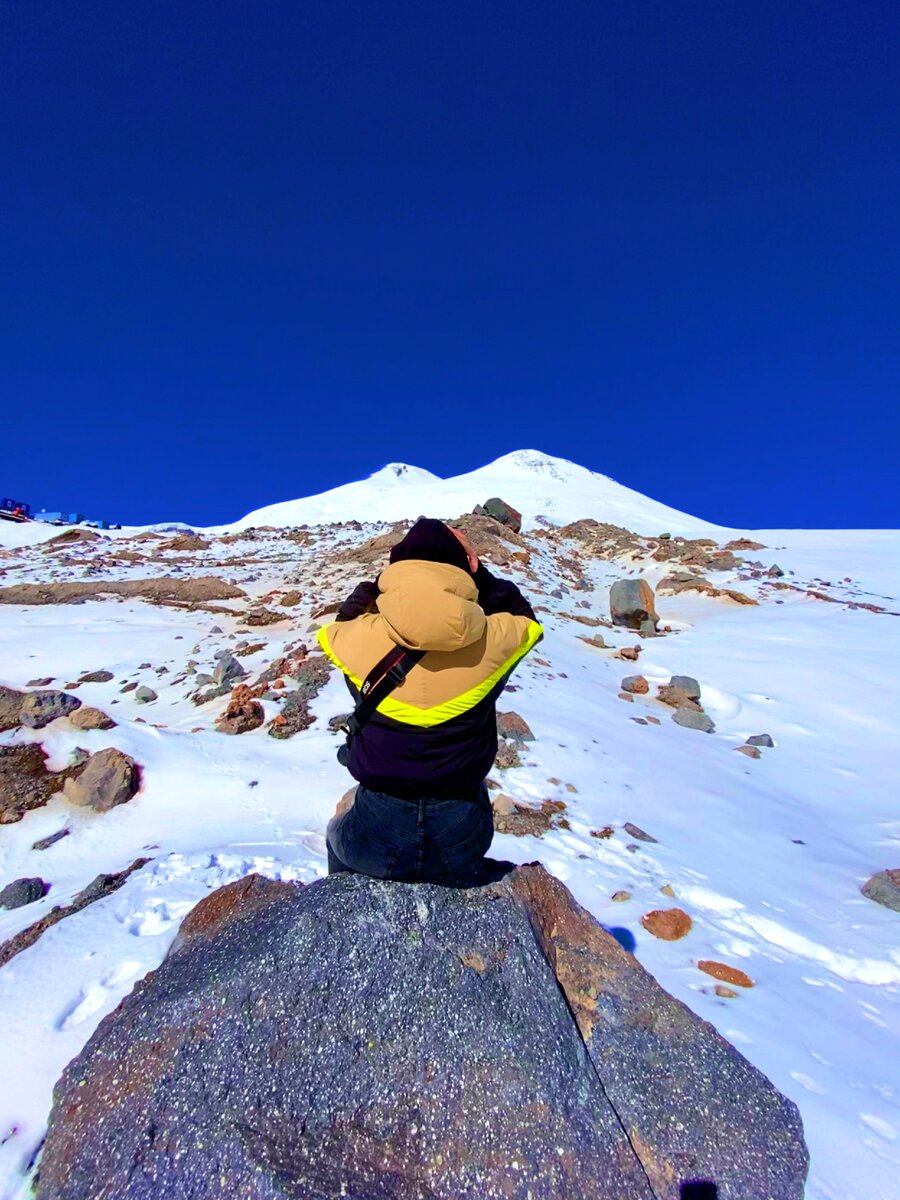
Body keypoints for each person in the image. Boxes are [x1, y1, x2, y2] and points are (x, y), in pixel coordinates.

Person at [316, 517, 542, 884]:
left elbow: (337, 628)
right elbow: (526, 619)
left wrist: (376, 589)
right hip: (462, 835)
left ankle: (340, 902)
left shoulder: (356, 638)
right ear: (462, 570)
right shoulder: (493, 640)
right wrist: (480, 574)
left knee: (335, 834)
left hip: (376, 833)